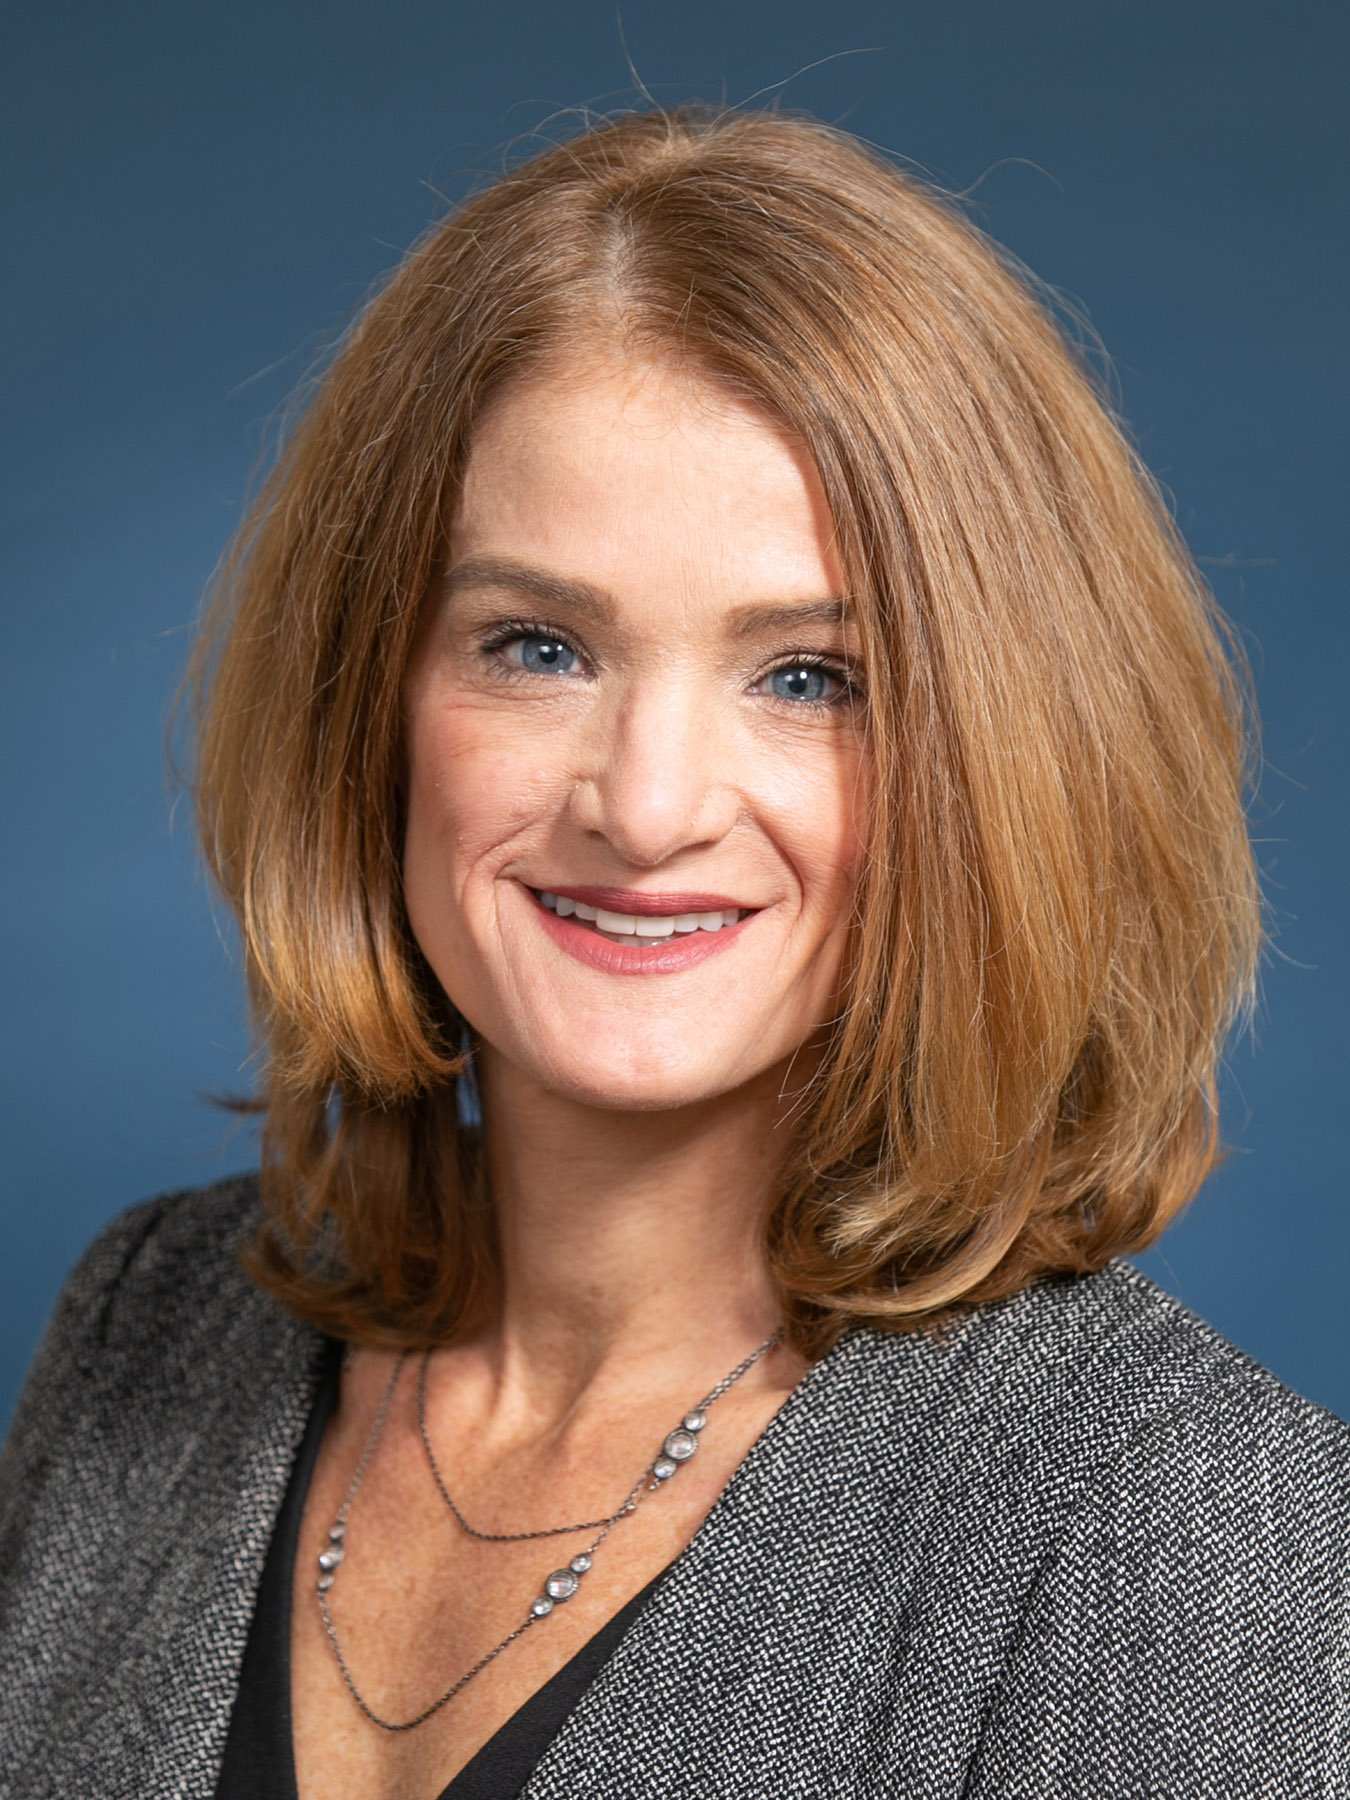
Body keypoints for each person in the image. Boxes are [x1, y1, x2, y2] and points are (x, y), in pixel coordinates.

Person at [1, 101, 1345, 1800]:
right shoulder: (151, 1328)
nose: (644, 809)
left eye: (807, 678)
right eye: (538, 644)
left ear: (1008, 763)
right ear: (375, 705)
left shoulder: (1187, 1526)